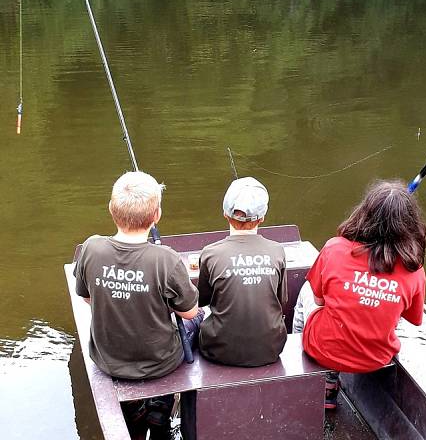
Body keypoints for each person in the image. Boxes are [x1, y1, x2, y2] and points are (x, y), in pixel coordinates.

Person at [74, 171, 200, 439]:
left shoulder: (91, 248)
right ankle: (160, 412)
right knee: (199, 320)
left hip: (108, 360)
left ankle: (140, 412)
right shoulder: (166, 259)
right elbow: (188, 310)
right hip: (161, 362)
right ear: (157, 216)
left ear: (111, 209)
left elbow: (87, 297)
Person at [294, 179, 426, 410]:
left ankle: (313, 374)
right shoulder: (414, 270)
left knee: (308, 289)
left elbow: (318, 299)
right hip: (377, 358)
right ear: (409, 225)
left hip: (322, 348)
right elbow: (414, 318)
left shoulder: (334, 248)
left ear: (364, 214)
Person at [197, 176, 288, 366]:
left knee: (194, 318)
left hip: (218, 351)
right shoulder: (277, 251)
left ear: (225, 213)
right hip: (271, 349)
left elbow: (203, 300)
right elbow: (281, 300)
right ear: (262, 217)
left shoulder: (211, 253)